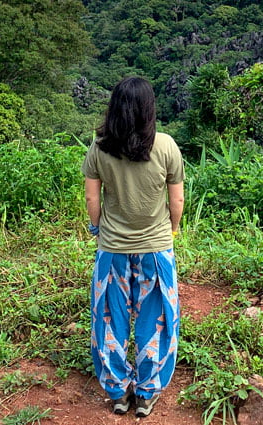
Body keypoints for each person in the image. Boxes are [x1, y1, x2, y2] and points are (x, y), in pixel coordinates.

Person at [82, 76, 185, 418]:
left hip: (112, 249)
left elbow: (92, 197)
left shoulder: (99, 148)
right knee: (156, 320)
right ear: (148, 110)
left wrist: (97, 229)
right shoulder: (167, 146)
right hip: (156, 249)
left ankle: (117, 392)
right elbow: (177, 199)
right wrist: (170, 232)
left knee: (108, 320)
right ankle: (146, 392)